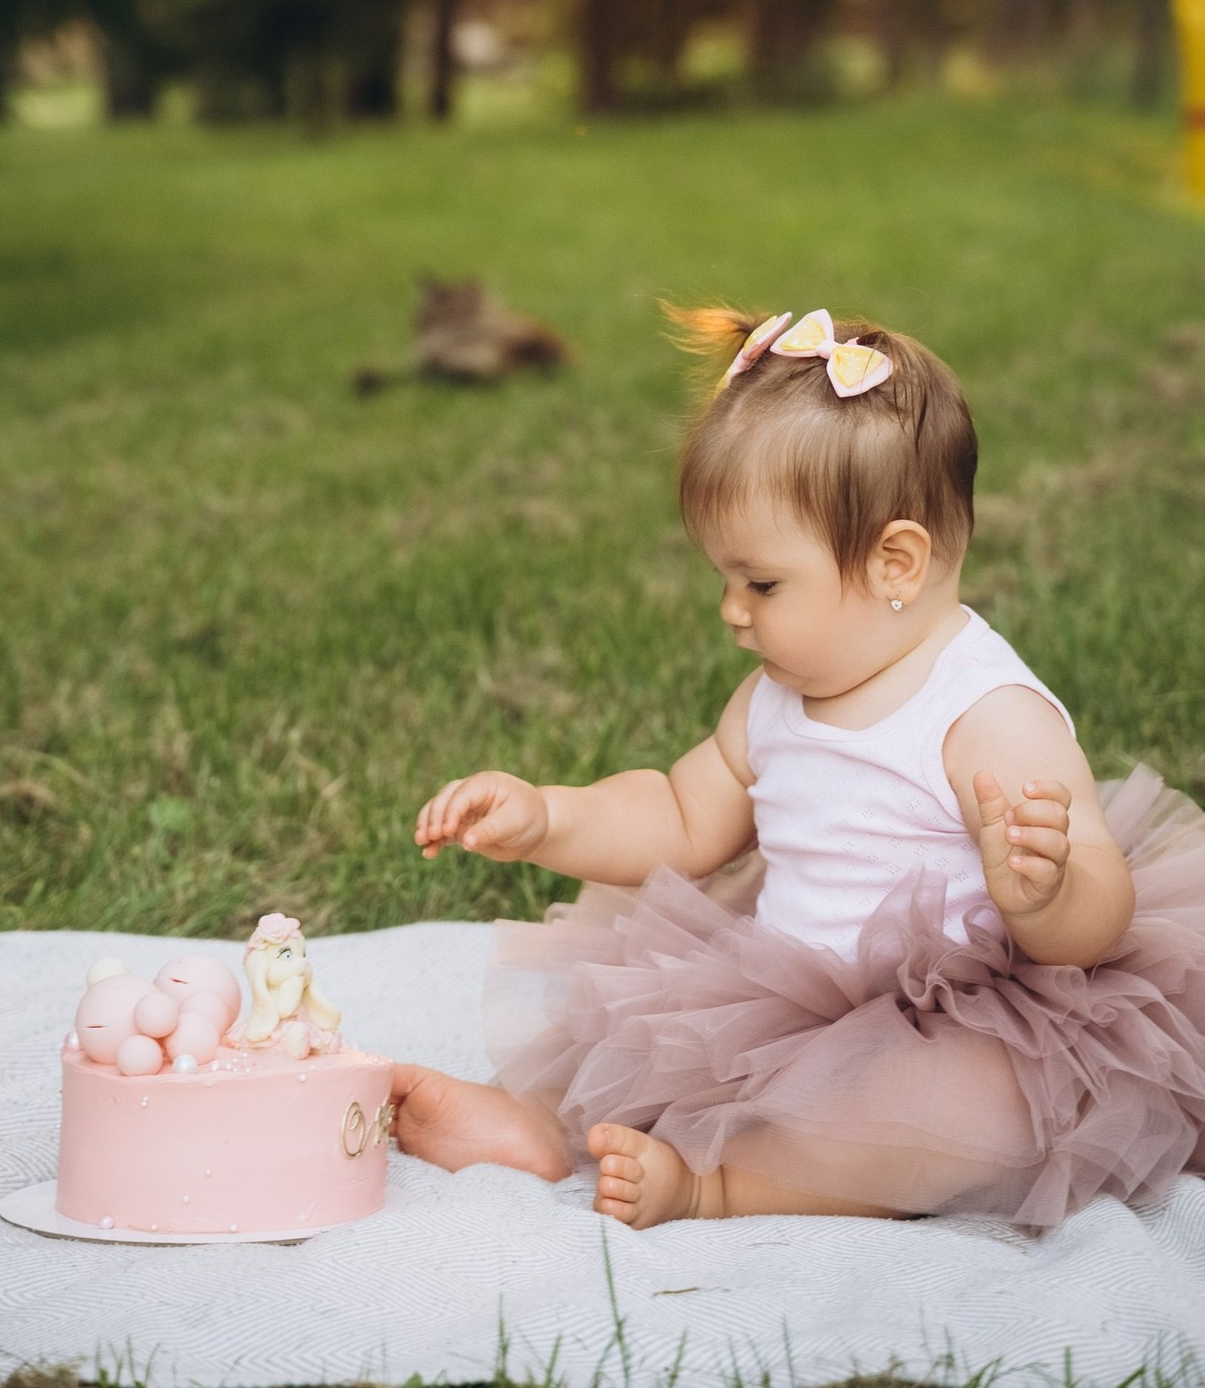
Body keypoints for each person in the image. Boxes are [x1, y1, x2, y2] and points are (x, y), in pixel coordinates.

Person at [390, 306, 1205, 1230]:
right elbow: (680, 816)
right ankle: (534, 1122)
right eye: (725, 581)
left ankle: (726, 1186)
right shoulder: (775, 697)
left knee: (967, 1108)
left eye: (762, 584)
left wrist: (1046, 896)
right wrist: (548, 818)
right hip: (780, 996)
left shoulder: (988, 717)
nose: (732, 612)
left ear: (897, 560)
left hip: (955, 1017)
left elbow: (1100, 913)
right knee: (637, 1016)